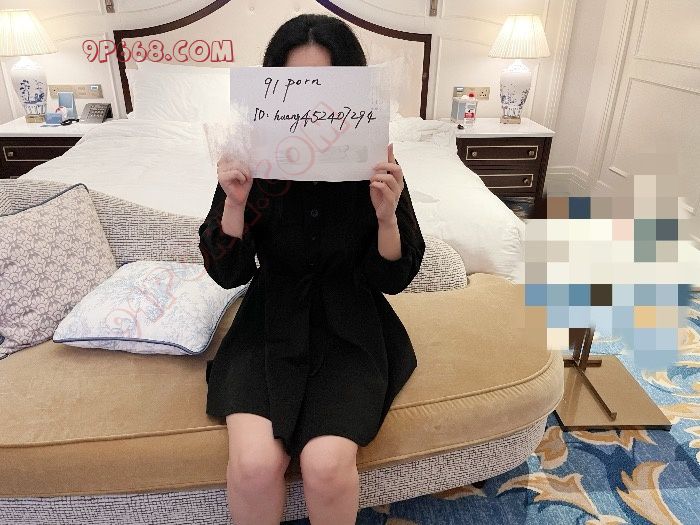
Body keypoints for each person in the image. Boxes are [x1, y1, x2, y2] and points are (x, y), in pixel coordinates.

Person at [198, 13, 425, 525]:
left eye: (325, 87)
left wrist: (386, 217)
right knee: (255, 466)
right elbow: (228, 273)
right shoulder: (251, 160)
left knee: (326, 466)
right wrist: (235, 204)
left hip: (351, 322)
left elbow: (394, 278)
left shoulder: (375, 161)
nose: (310, 106)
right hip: (270, 319)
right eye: (294, 88)